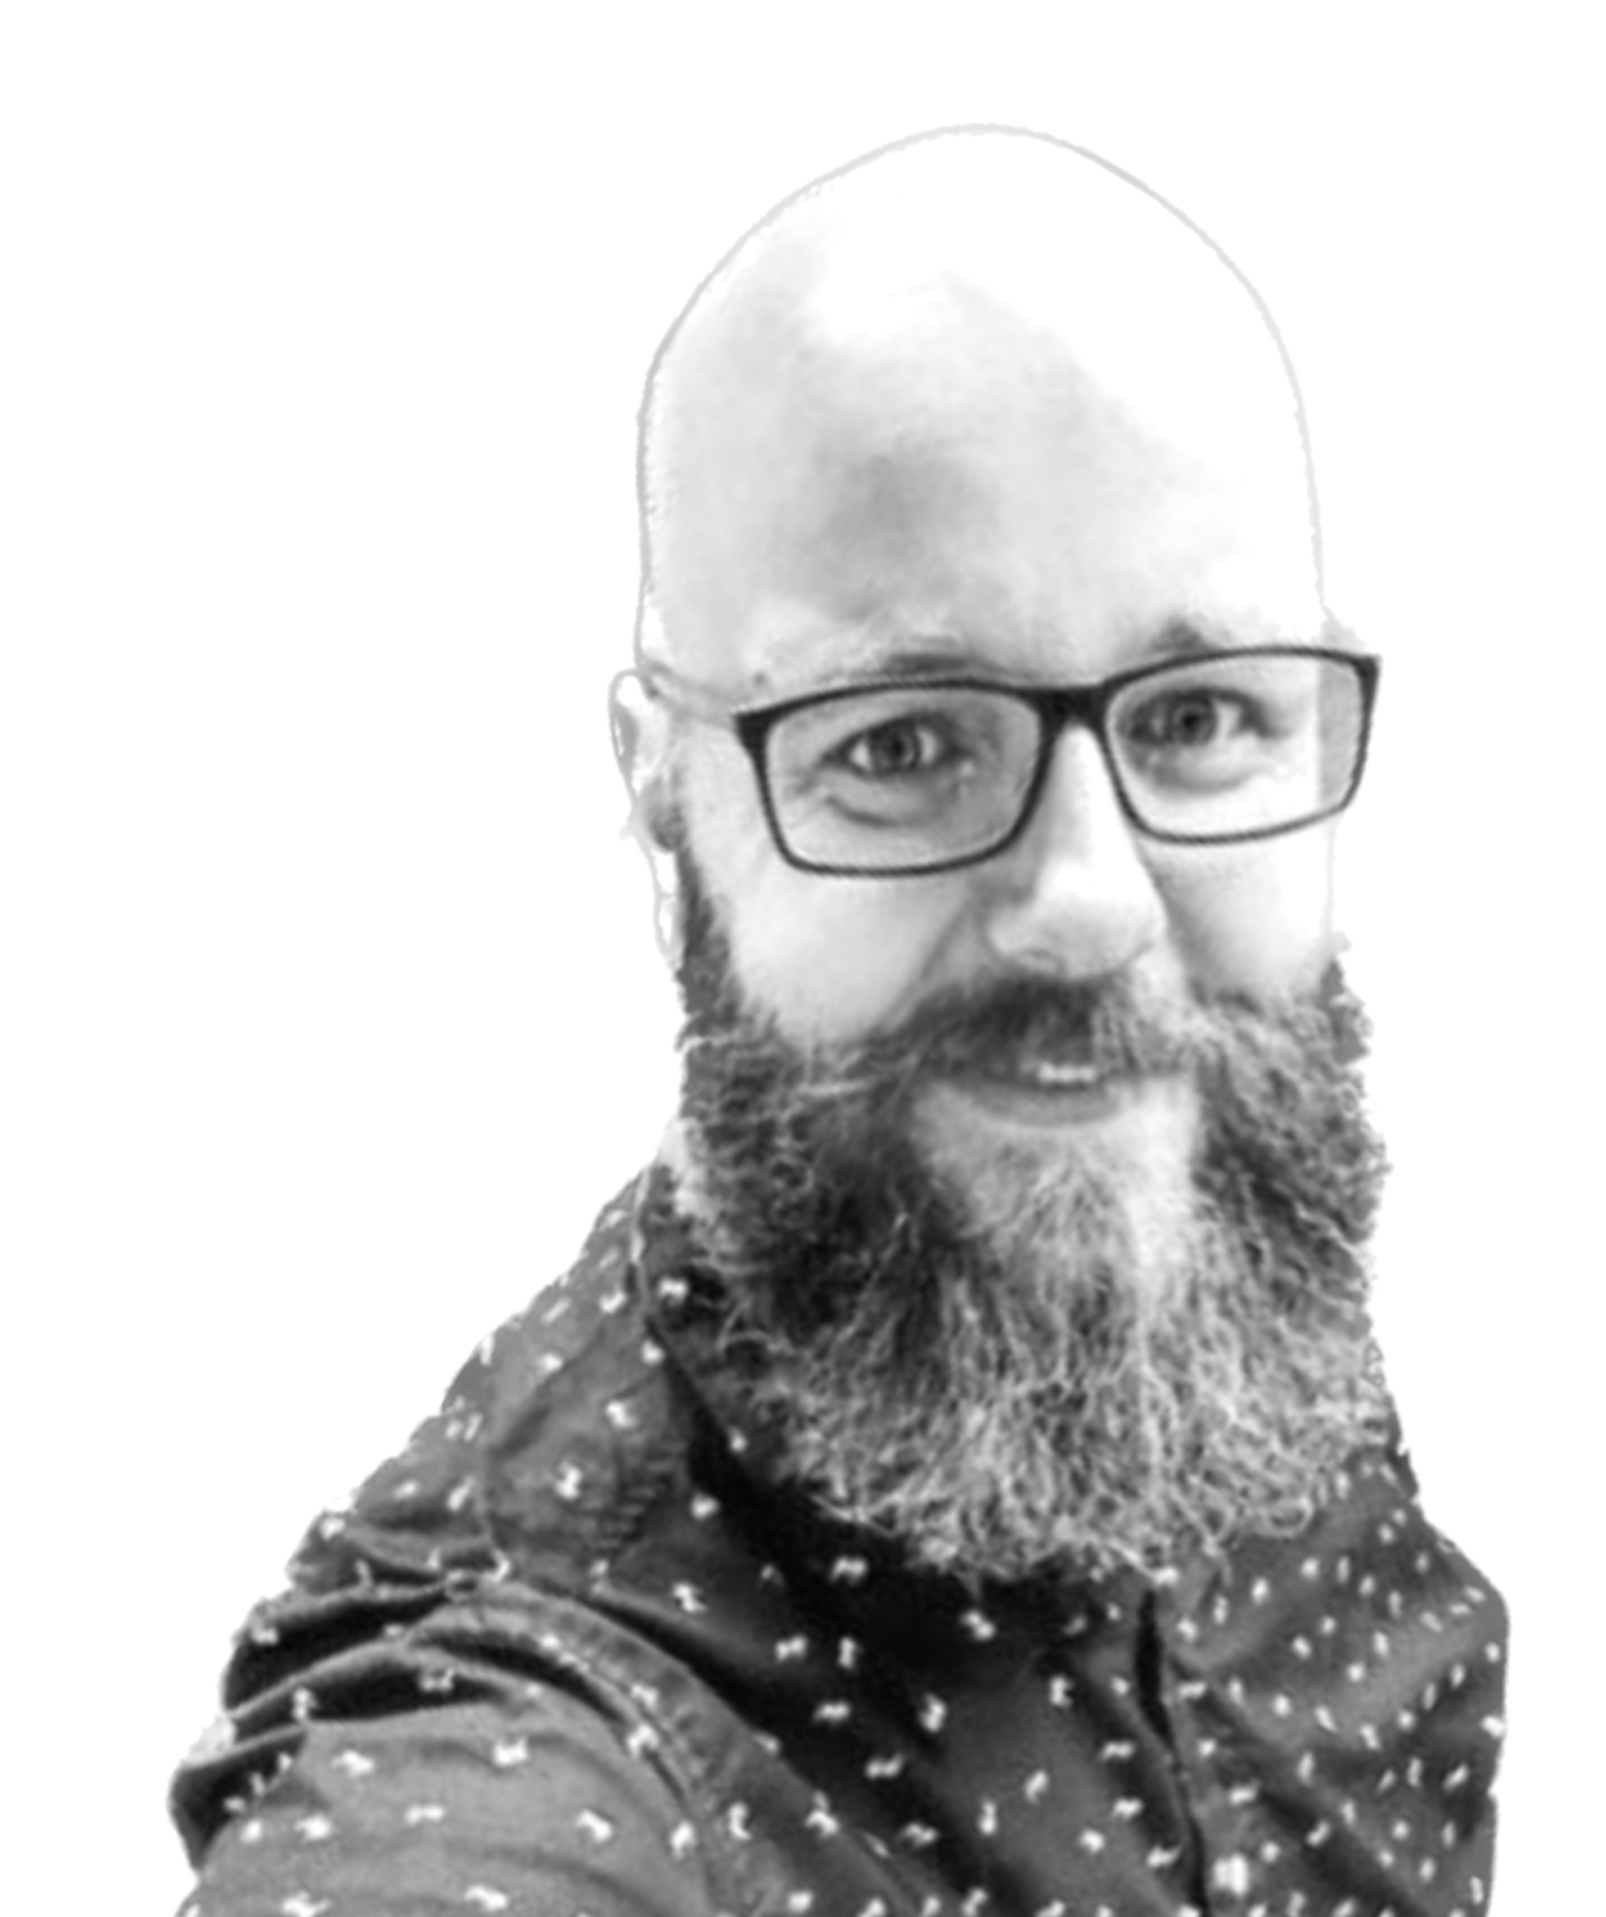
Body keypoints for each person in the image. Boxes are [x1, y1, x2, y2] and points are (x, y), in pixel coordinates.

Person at [170, 126, 1508, 1917]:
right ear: (666, 790)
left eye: (1196, 720)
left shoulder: (1211, 1258)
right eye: (901, 743)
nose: (1094, 903)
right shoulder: (517, 1760)